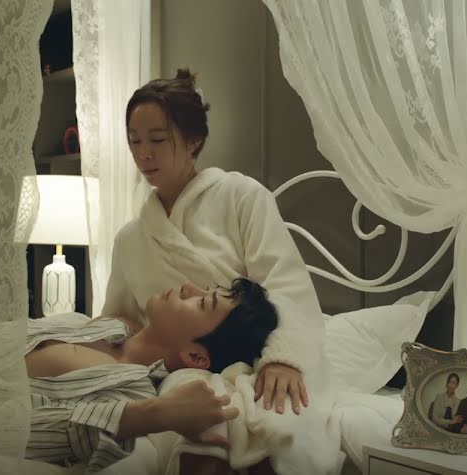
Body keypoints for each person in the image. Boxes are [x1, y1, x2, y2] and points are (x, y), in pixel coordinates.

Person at [102, 68, 329, 473]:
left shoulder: (243, 197)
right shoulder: (130, 238)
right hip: (181, 369)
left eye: (157, 139)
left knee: (281, 422)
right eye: (134, 141)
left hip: (259, 363)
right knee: (180, 414)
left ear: (194, 140)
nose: (143, 154)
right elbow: (120, 320)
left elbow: (286, 285)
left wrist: (283, 359)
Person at [24, 277, 278, 472]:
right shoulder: (112, 326)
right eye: (205, 290)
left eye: (202, 303)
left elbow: (21, 431)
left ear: (195, 357)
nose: (188, 286)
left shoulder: (133, 395)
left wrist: (152, 415)